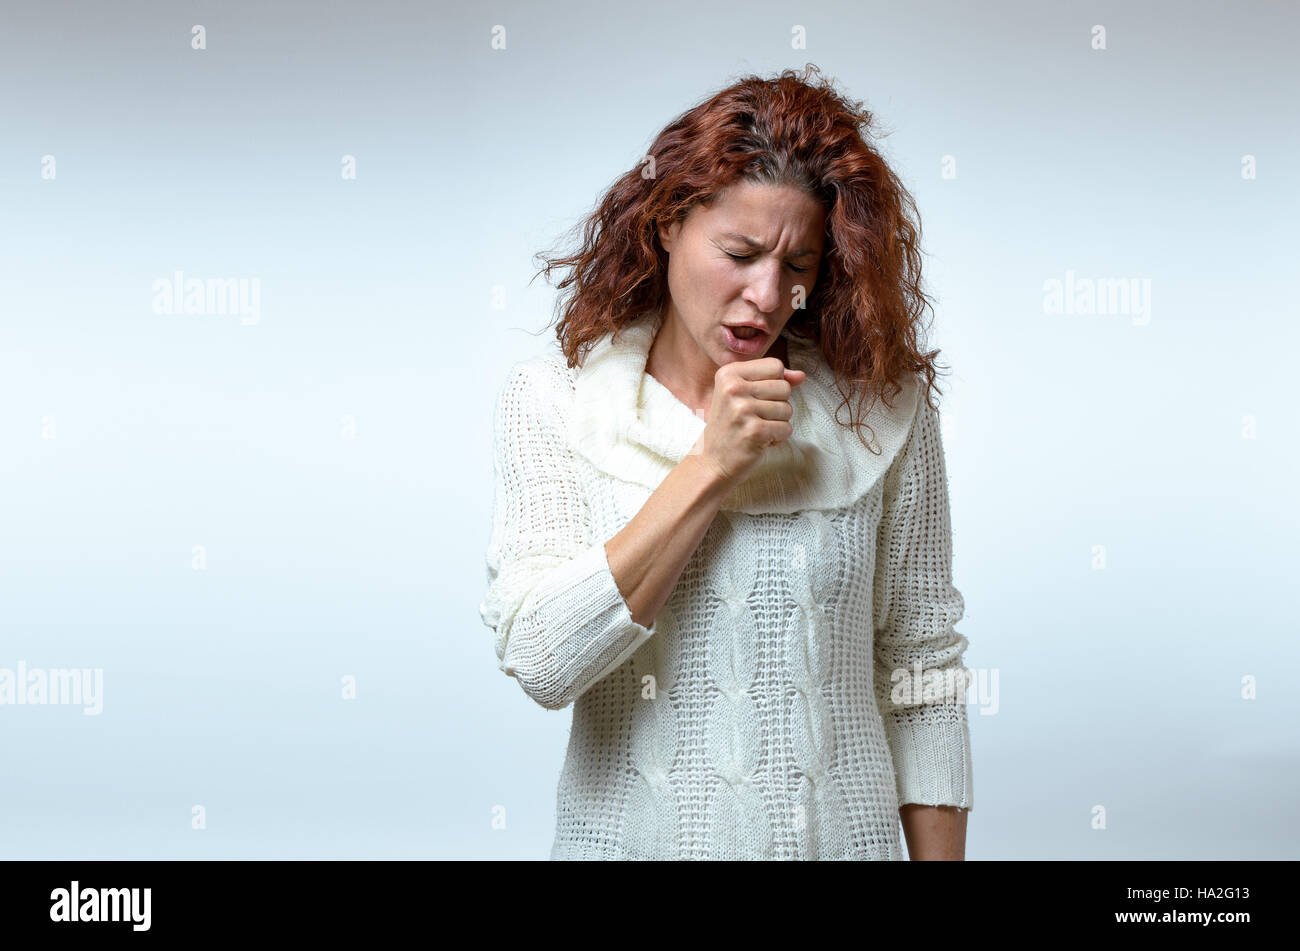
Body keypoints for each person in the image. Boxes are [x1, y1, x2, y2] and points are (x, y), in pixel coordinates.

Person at [479, 64, 973, 860]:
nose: (767, 296)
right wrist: (710, 466)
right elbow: (542, 660)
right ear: (669, 223)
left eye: (799, 265)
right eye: (739, 253)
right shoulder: (555, 405)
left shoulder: (878, 409)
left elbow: (923, 667)